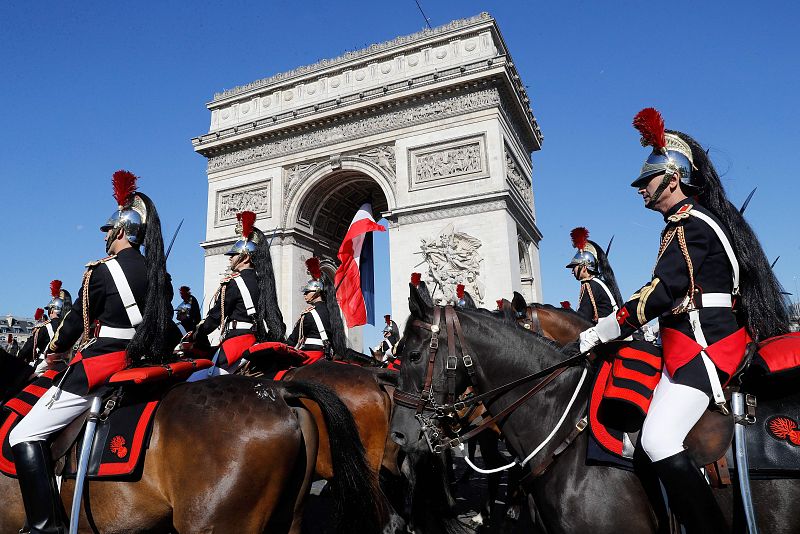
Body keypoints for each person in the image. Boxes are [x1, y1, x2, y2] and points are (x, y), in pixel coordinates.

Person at [574, 108, 790, 533]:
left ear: (672, 179)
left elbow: (664, 292)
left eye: (646, 181)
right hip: (685, 342)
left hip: (706, 346)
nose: (640, 190)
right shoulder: (681, 225)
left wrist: (606, 328)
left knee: (658, 438)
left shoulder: (692, 225)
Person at [8, 170, 173, 534]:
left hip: (104, 363)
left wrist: (53, 351)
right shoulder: (159, 272)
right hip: (146, 359)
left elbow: (74, 327)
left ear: (118, 232)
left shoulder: (101, 272)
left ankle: (43, 524)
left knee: (22, 435)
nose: (105, 238)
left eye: (107, 231)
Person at [188, 211, 284, 376]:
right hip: (254, 340)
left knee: (197, 379)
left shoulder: (234, 283)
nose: (230, 258)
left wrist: (198, 333)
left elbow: (215, 317)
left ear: (246, 257)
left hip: (236, 342)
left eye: (234, 254)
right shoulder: (263, 284)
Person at [286, 257, 347, 363]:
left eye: (307, 292)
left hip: (310, 355)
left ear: (317, 292)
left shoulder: (309, 314)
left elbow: (293, 340)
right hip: (325, 356)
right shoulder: (332, 313)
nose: (304, 295)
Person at [566, 227, 623, 323]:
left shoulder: (590, 284)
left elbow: (583, 318)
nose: (572, 271)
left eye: (574, 267)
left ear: (584, 267)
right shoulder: (596, 283)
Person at [18, 281, 71, 374]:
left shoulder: (44, 327)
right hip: (65, 368)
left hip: (44, 368)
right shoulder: (70, 326)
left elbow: (27, 349)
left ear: (52, 310)